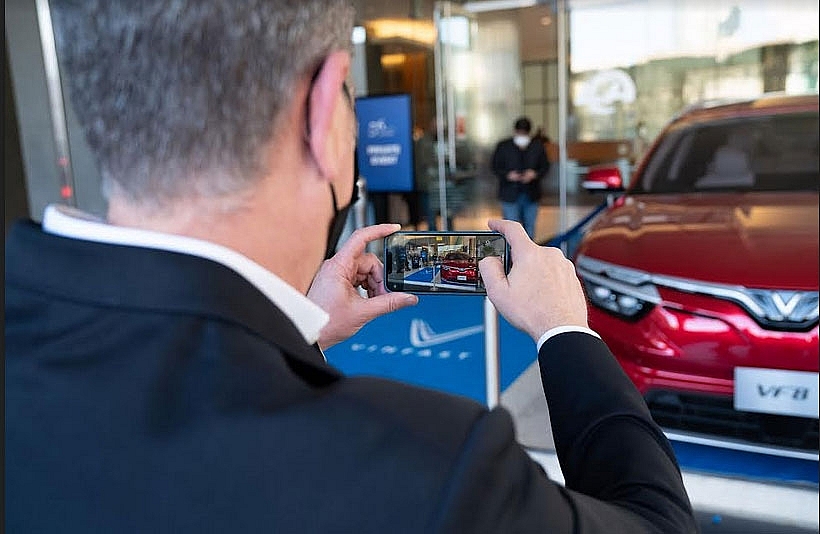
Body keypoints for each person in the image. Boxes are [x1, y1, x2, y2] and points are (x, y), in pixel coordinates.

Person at [4, 2, 697, 533]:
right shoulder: (431, 467)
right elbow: (656, 521)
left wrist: (300, 335)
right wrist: (565, 332)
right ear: (324, 110)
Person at [491, 116, 550, 239]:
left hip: (531, 193)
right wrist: (508, 175)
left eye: (524, 133)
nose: (522, 136)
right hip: (509, 193)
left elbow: (545, 167)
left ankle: (527, 250)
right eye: (520, 133)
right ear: (515, 131)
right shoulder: (504, 146)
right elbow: (495, 166)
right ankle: (512, 251)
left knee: (530, 228)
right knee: (511, 229)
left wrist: (534, 174)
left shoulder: (537, 146)